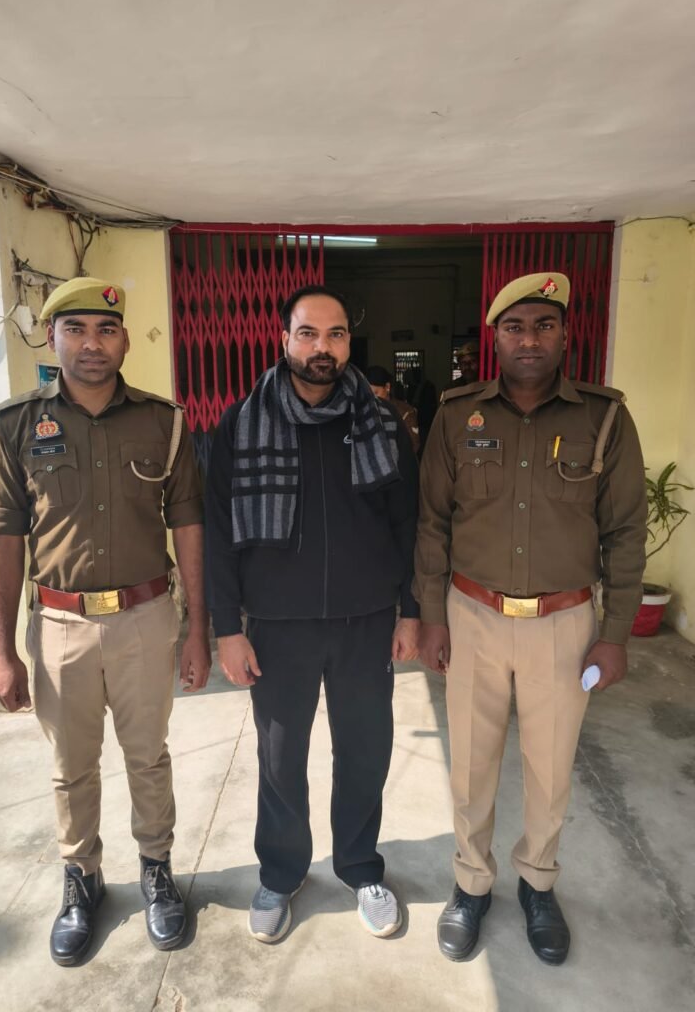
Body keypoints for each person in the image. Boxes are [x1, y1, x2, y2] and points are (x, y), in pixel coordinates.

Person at [415, 272, 646, 965]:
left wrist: (615, 633)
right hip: (472, 613)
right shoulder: (456, 415)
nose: (530, 339)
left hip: (563, 623)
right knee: (470, 763)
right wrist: (431, 616)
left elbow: (625, 532)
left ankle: (538, 883)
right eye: (515, 327)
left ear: (566, 335)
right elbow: (432, 523)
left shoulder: (604, 418)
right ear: (495, 338)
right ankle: (471, 884)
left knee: (550, 766)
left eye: (544, 325)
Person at [0, 277, 211, 966]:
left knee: (149, 757)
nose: (91, 343)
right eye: (75, 329)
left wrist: (197, 628)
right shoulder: (14, 424)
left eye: (106, 330)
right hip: (60, 627)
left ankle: (157, 870)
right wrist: (2, 653)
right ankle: (81, 879)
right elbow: (1, 540)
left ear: (125, 340)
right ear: (52, 338)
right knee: (71, 766)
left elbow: (189, 526)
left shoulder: (164, 422)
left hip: (145, 618)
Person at [205, 285, 420, 944]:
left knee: (364, 750)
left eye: (335, 334)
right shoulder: (241, 423)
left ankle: (359, 866)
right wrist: (227, 628)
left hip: (366, 622)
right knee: (280, 758)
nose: (321, 347)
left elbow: (407, 525)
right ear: (284, 339)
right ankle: (281, 872)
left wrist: (410, 611)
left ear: (349, 342)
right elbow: (218, 533)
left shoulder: (383, 425)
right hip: (277, 626)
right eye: (308, 333)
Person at [366, 364, 420, 454]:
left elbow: (413, 446)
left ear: (387, 387)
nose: (372, 399)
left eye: (376, 393)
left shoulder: (405, 412)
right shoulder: (364, 411)